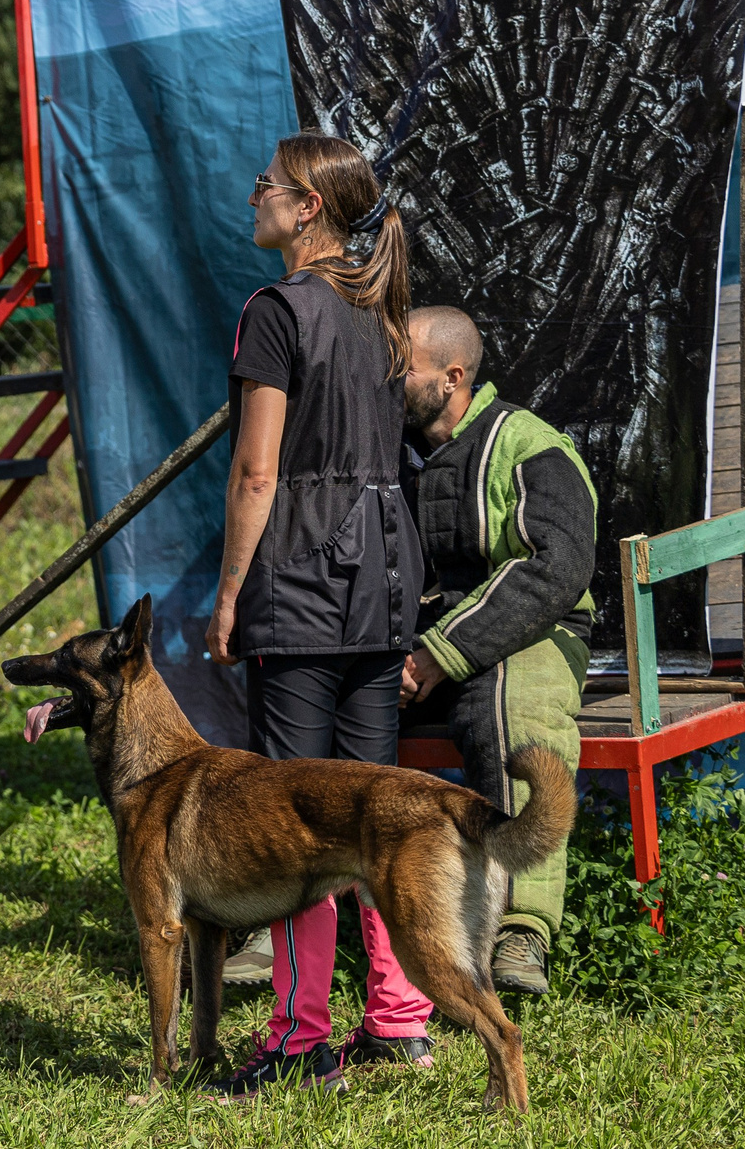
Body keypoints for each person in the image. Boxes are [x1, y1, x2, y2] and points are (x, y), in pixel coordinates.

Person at [203, 131, 434, 1098]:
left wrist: (225, 598)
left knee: (298, 821)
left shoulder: (275, 311)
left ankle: (300, 1040)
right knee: (375, 809)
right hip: (383, 585)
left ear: (306, 210)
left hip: (299, 583)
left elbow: (259, 472)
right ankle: (403, 1020)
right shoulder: (381, 312)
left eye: (268, 184)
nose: (254, 193)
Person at [398, 304, 594, 997]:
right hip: (419, 643)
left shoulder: (531, 444)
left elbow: (555, 566)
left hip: (539, 630)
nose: (390, 372)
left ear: (452, 376)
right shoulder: (389, 448)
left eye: (406, 362)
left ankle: (521, 929)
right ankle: (291, 922)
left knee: (512, 707)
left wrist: (438, 654)